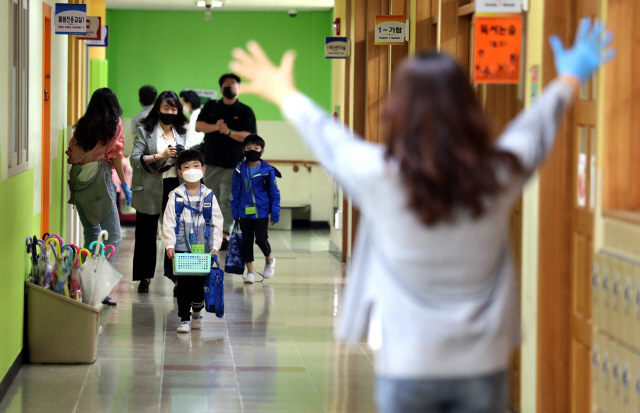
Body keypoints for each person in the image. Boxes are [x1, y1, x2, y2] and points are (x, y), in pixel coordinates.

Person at [228, 18, 615, 413]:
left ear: (399, 108)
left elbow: (331, 139)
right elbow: (533, 131)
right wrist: (567, 80)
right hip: (481, 364)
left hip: (407, 365)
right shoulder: (496, 172)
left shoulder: (379, 174)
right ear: (469, 106)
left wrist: (285, 93)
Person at [66, 88, 132, 306]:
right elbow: (115, 156)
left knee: (91, 234)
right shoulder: (114, 123)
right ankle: (97, 286)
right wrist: (124, 184)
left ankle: (85, 286)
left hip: (77, 179)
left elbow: (71, 154)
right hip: (99, 179)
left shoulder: (82, 125)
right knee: (113, 237)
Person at [130, 91, 189, 294]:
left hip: (174, 186)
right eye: (166, 108)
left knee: (174, 233)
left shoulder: (181, 131)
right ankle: (144, 278)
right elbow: (134, 159)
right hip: (148, 185)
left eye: (174, 109)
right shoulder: (145, 130)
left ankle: (176, 279)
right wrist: (160, 155)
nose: (170, 112)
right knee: (146, 234)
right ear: (158, 109)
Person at [162, 149, 223, 333]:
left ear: (203, 169)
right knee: (183, 284)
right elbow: (169, 222)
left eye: (195, 166)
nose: (191, 169)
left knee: (199, 284)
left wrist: (214, 247)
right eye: (186, 167)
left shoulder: (209, 196)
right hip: (181, 248)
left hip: (203, 249)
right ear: (180, 173)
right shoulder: (176, 195)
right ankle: (184, 318)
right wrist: (169, 245)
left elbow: (217, 223)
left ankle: (197, 312)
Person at [195, 73, 257, 249]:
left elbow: (249, 136)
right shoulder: (211, 106)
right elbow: (198, 126)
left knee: (227, 199)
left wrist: (229, 131)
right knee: (211, 198)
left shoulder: (245, 111)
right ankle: (211, 232)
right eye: (226, 84)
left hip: (234, 162)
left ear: (239, 87)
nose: (229, 86)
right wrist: (217, 127)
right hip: (212, 161)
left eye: (233, 84)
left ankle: (224, 233)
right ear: (221, 88)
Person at [231, 135, 281, 284]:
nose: (252, 150)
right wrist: (235, 211)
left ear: (262, 151)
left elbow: (274, 193)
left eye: (256, 148)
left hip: (262, 211)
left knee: (260, 239)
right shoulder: (239, 169)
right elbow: (235, 190)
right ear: (243, 150)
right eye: (248, 148)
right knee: (247, 242)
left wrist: (275, 214)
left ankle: (269, 259)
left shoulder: (267, 170)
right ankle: (250, 272)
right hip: (244, 212)